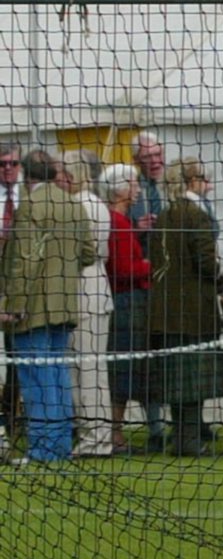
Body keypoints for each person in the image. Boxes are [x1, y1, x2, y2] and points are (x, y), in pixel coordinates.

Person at [0, 150, 96, 462]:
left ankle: (43, 449)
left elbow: (23, 263)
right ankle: (59, 446)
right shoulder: (73, 203)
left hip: (34, 304)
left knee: (37, 378)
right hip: (65, 302)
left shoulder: (31, 207)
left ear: (27, 175)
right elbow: (88, 254)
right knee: (57, 375)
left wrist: (13, 304)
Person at [149, 159, 223, 456]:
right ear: (190, 181)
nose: (207, 184)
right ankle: (190, 441)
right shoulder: (196, 215)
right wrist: (222, 286)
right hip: (195, 310)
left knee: (176, 382)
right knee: (194, 383)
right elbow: (208, 262)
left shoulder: (165, 215)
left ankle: (182, 438)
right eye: (203, 179)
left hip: (166, 312)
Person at [57, 150, 115, 457]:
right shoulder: (90, 202)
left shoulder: (84, 205)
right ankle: (92, 434)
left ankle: (97, 437)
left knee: (88, 367)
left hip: (86, 289)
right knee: (81, 366)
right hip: (87, 287)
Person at [99, 163, 151, 454]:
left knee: (125, 370)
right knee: (120, 371)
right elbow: (121, 269)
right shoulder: (116, 222)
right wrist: (150, 267)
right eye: (133, 183)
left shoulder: (121, 220)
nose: (138, 189)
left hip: (128, 300)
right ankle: (114, 435)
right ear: (121, 188)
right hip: (125, 303)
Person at [129, 131, 171, 453]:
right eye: (148, 158)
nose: (155, 162)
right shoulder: (129, 191)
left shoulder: (174, 186)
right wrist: (137, 229)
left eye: (158, 155)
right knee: (146, 360)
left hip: (174, 285)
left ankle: (189, 422)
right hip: (143, 287)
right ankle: (155, 427)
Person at [0, 141, 24, 456]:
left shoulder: (29, 200)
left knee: (18, 361)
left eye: (12, 163)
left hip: (20, 294)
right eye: (2, 163)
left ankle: (13, 421)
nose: (7, 169)